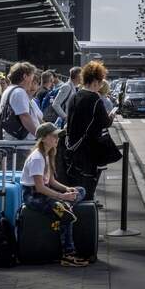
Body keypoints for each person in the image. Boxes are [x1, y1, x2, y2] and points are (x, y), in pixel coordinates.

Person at [20, 123, 88, 267]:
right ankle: (68, 254)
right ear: (43, 138)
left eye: (57, 135)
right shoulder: (37, 158)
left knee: (80, 190)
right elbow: (39, 188)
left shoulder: (47, 154)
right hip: (33, 196)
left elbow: (51, 181)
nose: (57, 138)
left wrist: (67, 189)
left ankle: (64, 206)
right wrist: (62, 196)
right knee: (64, 213)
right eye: (53, 136)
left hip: (45, 194)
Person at [61, 61, 114, 199]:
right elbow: (105, 122)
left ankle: (77, 211)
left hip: (72, 146)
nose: (101, 85)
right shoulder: (94, 98)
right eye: (101, 82)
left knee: (75, 184)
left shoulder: (74, 96)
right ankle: (87, 211)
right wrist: (111, 116)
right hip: (89, 149)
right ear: (96, 81)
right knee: (89, 183)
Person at [0, 62, 38, 141]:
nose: (31, 82)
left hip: (13, 141)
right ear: (25, 76)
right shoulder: (19, 92)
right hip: (22, 144)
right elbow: (25, 117)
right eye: (31, 77)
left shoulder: (9, 90)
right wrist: (39, 135)